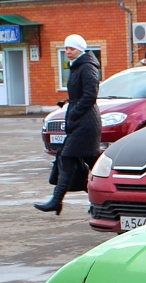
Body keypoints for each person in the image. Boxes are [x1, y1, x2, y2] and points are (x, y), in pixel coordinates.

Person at [35, 34, 101, 215]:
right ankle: (99, 200)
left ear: (81, 49)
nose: (68, 52)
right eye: (66, 48)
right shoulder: (77, 66)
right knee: (88, 162)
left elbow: (90, 95)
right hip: (81, 120)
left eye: (71, 48)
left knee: (71, 158)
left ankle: (58, 201)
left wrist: (75, 112)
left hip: (86, 122)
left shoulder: (87, 66)